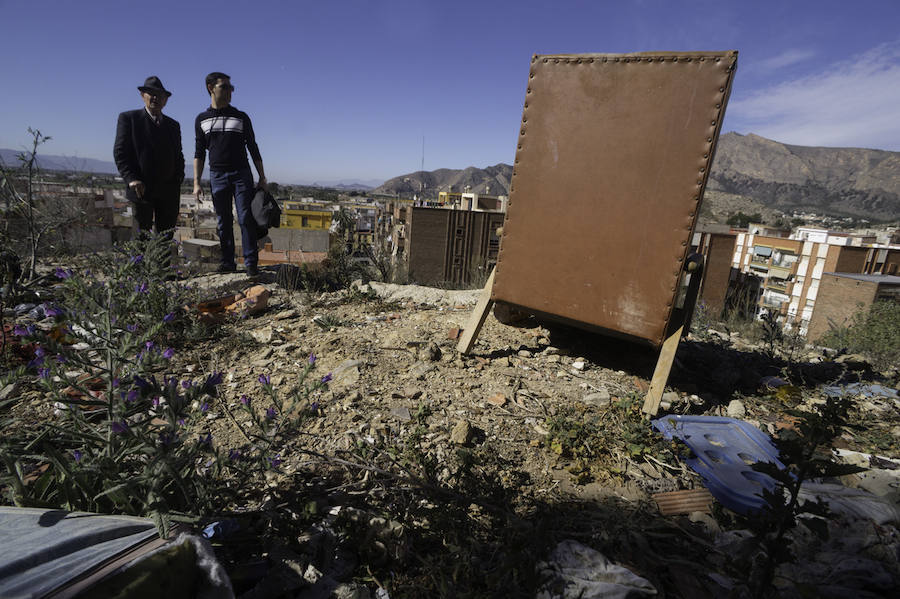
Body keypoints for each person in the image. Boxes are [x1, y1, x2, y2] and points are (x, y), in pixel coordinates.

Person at [193, 72, 267, 276]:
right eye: (224, 87)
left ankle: (251, 263)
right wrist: (196, 183)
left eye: (231, 87)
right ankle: (227, 263)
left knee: (245, 218)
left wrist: (262, 177)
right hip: (217, 175)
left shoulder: (241, 117)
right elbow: (199, 153)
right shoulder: (202, 120)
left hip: (241, 173)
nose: (229, 91)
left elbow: (253, 147)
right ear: (211, 88)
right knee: (222, 221)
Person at [114, 76, 185, 242]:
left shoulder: (173, 126)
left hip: (168, 191)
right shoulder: (129, 119)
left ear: (166, 99)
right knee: (141, 236)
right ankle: (141, 269)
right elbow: (120, 152)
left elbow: (179, 155)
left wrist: (178, 178)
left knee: (165, 238)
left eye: (159, 95)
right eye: (151, 94)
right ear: (142, 95)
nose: (155, 98)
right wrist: (131, 179)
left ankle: (163, 269)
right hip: (142, 190)